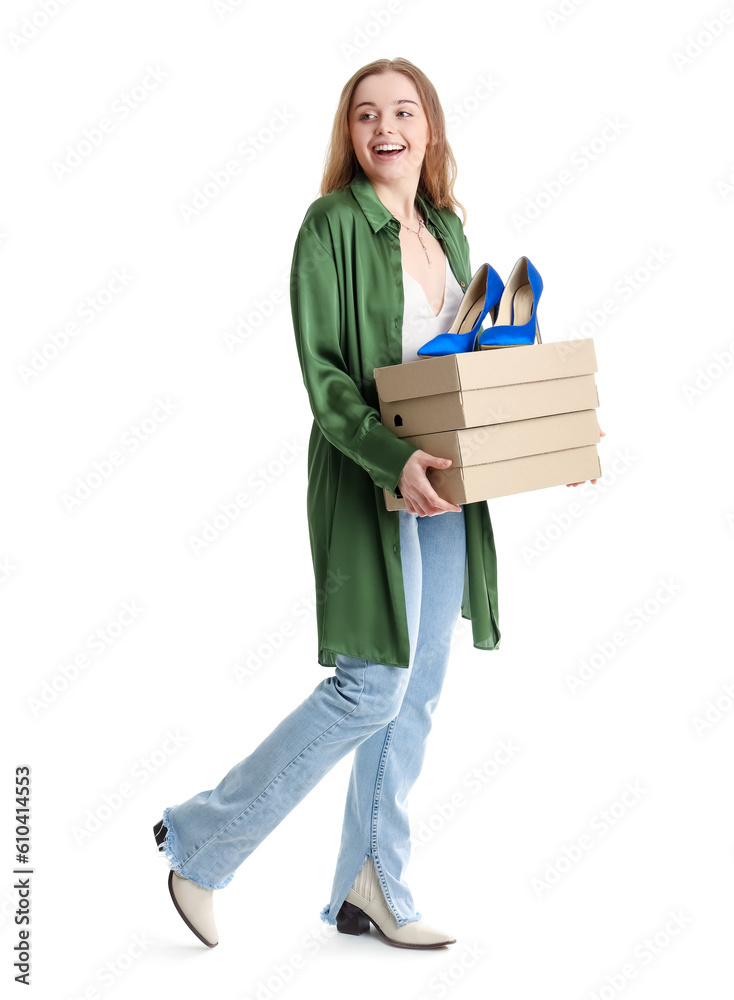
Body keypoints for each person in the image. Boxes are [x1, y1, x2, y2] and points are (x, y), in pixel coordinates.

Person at [152, 55, 599, 953]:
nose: (385, 128)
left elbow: (470, 370)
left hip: (443, 491)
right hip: (370, 477)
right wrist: (394, 462)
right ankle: (202, 842)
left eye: (403, 111)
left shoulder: (446, 230)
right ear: (348, 133)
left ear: (430, 127)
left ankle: (371, 884)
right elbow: (326, 380)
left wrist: (548, 443)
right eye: (366, 114)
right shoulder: (329, 228)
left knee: (417, 693)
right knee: (371, 688)